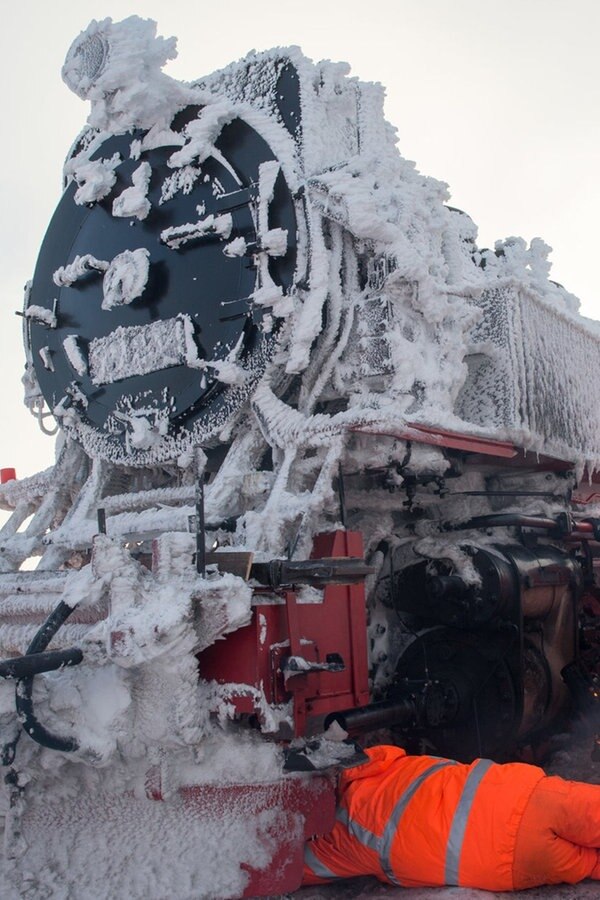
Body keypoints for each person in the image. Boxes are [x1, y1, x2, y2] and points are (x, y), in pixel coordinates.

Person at [303, 744, 600, 891]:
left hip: (510, 861)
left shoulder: (342, 843)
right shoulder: (384, 762)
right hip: (528, 797)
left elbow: (296, 868)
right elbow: (370, 752)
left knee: (590, 864)